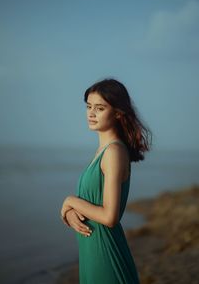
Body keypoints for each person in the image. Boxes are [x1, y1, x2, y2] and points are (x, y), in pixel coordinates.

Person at [60, 78, 152, 284]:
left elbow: (109, 216)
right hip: (92, 251)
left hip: (105, 254)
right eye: (89, 106)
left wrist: (70, 201)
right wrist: (71, 212)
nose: (91, 113)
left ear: (118, 113)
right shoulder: (104, 150)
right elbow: (93, 203)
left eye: (99, 108)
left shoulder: (113, 152)